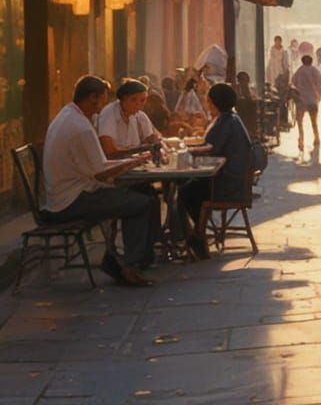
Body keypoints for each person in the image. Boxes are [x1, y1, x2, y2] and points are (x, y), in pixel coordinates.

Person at [41, 76, 156, 286]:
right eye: (103, 98)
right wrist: (134, 161)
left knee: (141, 195)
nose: (105, 104)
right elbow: (101, 172)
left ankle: (124, 256)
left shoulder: (68, 115)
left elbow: (97, 166)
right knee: (140, 203)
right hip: (70, 201)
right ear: (93, 98)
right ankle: (130, 265)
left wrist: (131, 161)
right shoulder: (81, 127)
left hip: (65, 193)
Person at [178, 83, 258, 261]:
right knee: (188, 188)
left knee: (185, 192)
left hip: (227, 184)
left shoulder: (226, 121)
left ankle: (196, 235)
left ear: (212, 102)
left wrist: (185, 151)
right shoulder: (231, 118)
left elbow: (211, 149)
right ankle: (195, 234)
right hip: (233, 180)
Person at [97, 79, 161, 157]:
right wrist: (138, 151)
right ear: (123, 99)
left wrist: (155, 142)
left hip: (134, 165)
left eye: (142, 100)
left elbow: (151, 140)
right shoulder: (108, 113)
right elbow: (109, 151)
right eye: (133, 99)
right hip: (113, 166)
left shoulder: (140, 116)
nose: (138, 104)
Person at [291, 54, 321, 151]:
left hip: (301, 101)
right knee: (314, 121)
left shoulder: (299, 70)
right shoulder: (315, 71)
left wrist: (298, 90)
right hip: (312, 101)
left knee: (300, 122)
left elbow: (292, 82)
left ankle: (301, 139)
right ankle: (316, 137)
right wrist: (318, 95)